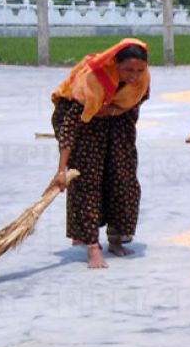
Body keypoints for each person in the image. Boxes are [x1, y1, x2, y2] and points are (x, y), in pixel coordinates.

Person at [48, 38, 150, 269]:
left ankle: (117, 237)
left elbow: (134, 102)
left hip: (117, 119)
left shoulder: (142, 79)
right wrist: (61, 169)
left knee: (123, 179)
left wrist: (113, 111)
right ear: (115, 65)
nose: (134, 75)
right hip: (84, 120)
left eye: (139, 70)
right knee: (88, 182)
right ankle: (92, 245)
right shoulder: (93, 82)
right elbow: (70, 128)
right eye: (127, 69)